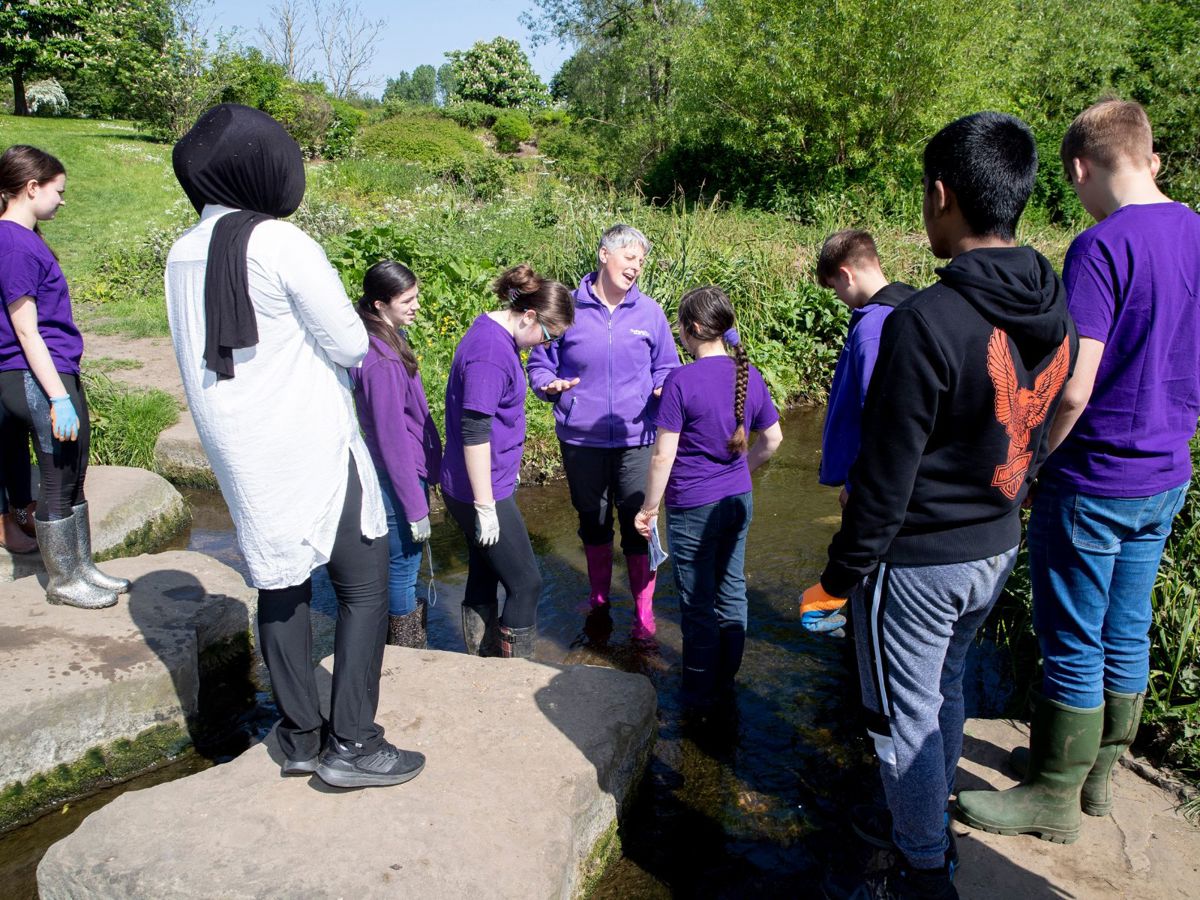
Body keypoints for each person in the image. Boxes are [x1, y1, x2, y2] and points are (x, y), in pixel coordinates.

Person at [803, 112, 1077, 899]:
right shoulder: (1051, 300)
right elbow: (1047, 411)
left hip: (919, 563)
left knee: (899, 724)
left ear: (941, 195)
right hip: (995, 546)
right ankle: (932, 831)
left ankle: (923, 870)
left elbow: (884, 484)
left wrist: (838, 578)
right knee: (947, 685)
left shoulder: (924, 322)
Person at [956, 101, 1200, 842]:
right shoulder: (1195, 229)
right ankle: (1097, 779)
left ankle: (1053, 799)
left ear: (1079, 167)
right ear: (1149, 156)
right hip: (1166, 473)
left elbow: (1073, 388)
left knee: (1071, 637)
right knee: (1126, 628)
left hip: (1095, 478)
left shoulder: (1100, 247)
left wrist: (1028, 463)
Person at [166, 104, 424, 789]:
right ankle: (355, 744)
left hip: (241, 448)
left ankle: (302, 735)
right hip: (309, 442)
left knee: (279, 584)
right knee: (363, 589)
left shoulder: (181, 251)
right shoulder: (282, 244)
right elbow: (347, 344)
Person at [527, 224, 679, 644]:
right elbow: (540, 362)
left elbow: (667, 364)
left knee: (638, 526)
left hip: (637, 438)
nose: (636, 268)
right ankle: (598, 600)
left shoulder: (650, 313)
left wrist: (664, 385)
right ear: (603, 255)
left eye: (641, 262)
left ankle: (644, 616)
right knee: (591, 522)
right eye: (629, 258)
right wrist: (548, 385)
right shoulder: (568, 308)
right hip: (580, 439)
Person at [635, 286, 782, 711]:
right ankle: (726, 681)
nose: (679, 334)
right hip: (738, 499)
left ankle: (698, 692)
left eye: (681, 326)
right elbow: (772, 439)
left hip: (693, 506)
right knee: (732, 590)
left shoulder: (682, 380)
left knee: (697, 602)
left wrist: (648, 509)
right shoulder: (748, 375)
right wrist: (742, 470)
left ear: (694, 328)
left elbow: (663, 455)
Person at [0, 145, 128, 604]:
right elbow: (25, 329)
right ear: (31, 188)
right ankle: (63, 581)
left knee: (72, 473)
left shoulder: (22, 239)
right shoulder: (13, 243)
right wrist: (56, 397)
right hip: (38, 375)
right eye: (58, 191)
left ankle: (82, 568)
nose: (62, 200)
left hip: (51, 371)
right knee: (57, 476)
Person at [441, 264, 575, 659]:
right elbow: (474, 431)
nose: (544, 345)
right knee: (526, 583)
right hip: (480, 489)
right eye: (547, 335)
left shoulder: (493, 332)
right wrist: (485, 506)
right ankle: (513, 679)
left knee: (486, 571)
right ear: (528, 315)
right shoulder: (490, 355)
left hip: (476, 483)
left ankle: (481, 665)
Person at [803, 229, 914, 633]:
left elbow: (877, 414)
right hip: (901, 484)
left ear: (846, 275)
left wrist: (855, 482)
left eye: (834, 288)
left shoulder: (872, 326)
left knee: (868, 577)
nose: (838, 298)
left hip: (873, 486)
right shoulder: (912, 302)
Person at [349, 261, 443, 650]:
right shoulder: (382, 362)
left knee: (398, 567)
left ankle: (399, 646)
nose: (416, 305)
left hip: (396, 477)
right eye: (407, 299)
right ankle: (405, 652)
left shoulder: (380, 341)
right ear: (379, 303)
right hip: (396, 480)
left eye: (416, 296)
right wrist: (415, 508)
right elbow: (392, 440)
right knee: (402, 569)